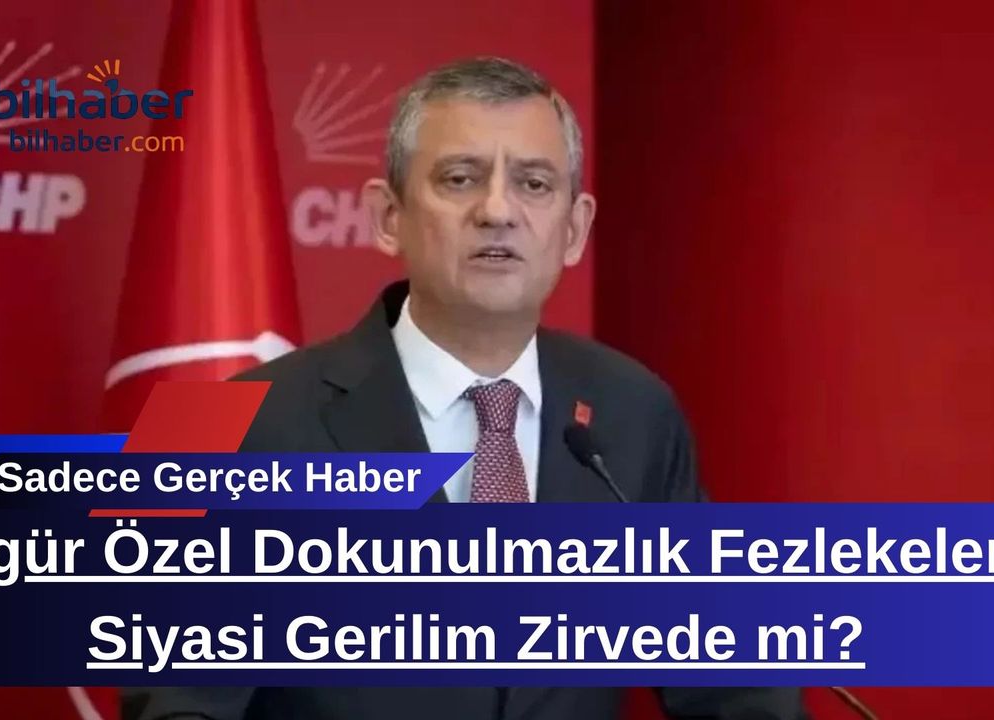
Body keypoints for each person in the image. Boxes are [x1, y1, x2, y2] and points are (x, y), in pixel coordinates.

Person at [124, 56, 806, 720]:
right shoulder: (225, 429)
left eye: (534, 183)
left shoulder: (633, 414)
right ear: (388, 215)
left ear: (574, 229)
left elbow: (733, 685)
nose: (498, 210)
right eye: (460, 178)